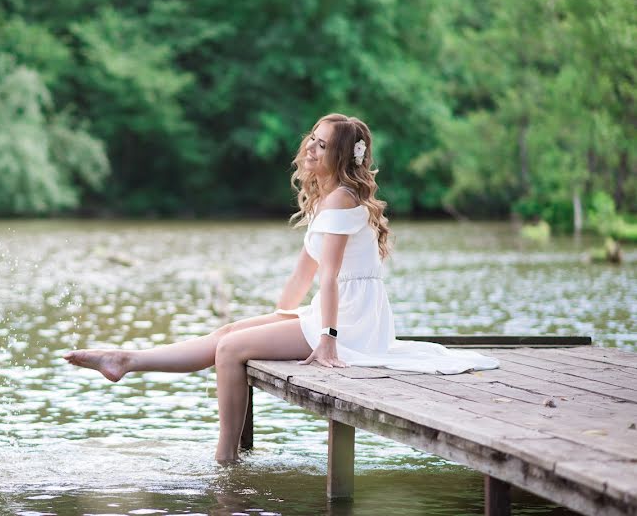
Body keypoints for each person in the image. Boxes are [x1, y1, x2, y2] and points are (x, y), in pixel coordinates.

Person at [63, 113, 499, 464]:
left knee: (230, 352)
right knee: (230, 334)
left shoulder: (342, 198)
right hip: (336, 310)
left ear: (344, 157)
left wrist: (327, 343)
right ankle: (125, 360)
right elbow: (302, 275)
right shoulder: (327, 196)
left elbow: (327, 276)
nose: (311, 146)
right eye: (313, 137)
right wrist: (277, 319)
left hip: (349, 320)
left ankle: (225, 459)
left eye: (323, 144)